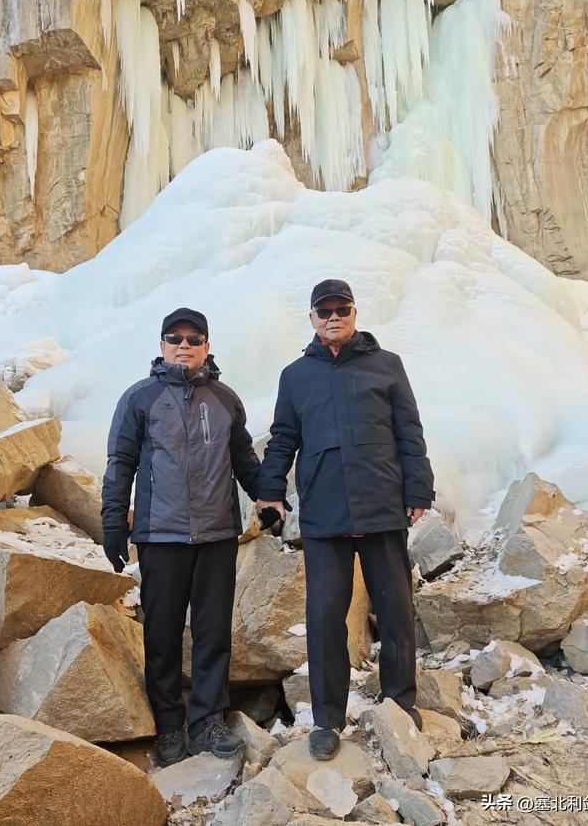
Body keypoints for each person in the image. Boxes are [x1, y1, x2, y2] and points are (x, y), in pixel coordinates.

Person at [257, 279, 435, 760]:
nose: (334, 317)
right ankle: (327, 720)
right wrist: (270, 491)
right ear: (312, 319)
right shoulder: (295, 376)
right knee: (323, 617)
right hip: (324, 512)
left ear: (355, 313)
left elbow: (409, 432)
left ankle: (401, 700)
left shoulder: (387, 366)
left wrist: (418, 488)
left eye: (342, 309)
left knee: (395, 609)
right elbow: (282, 438)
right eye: (324, 311)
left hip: (382, 507)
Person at [101, 308, 260, 766]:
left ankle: (208, 720)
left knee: (213, 633)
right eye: (176, 338)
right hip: (160, 535)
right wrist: (114, 523)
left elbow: (244, 459)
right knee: (163, 634)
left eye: (195, 338)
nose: (185, 345)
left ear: (207, 345)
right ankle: (170, 724)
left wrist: (267, 498)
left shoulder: (225, 399)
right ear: (162, 345)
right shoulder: (140, 399)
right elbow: (120, 465)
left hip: (216, 535)